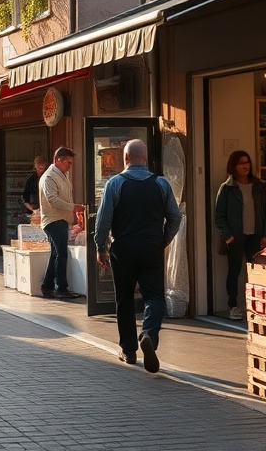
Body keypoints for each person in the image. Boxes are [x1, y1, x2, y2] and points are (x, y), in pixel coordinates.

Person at [94, 139, 182, 373]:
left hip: (123, 249)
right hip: (152, 247)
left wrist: (100, 247)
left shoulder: (115, 184)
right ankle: (150, 335)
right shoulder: (161, 184)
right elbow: (175, 217)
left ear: (125, 158)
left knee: (124, 299)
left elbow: (103, 221)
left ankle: (129, 350)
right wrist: (163, 240)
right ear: (145, 158)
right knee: (154, 297)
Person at [214, 150, 266, 321]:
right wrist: (228, 236)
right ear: (233, 166)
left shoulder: (259, 186)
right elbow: (219, 216)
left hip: (256, 236)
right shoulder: (227, 188)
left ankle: (256, 306)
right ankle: (233, 306)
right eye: (241, 163)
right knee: (234, 271)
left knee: (256, 272)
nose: (245, 165)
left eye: (247, 162)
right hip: (235, 237)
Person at [38, 147, 83, 300]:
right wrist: (73, 207)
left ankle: (47, 286)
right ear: (59, 160)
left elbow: (65, 196)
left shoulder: (62, 174)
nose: (70, 166)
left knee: (56, 253)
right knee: (61, 253)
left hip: (61, 219)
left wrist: (74, 209)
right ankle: (61, 288)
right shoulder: (49, 176)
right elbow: (52, 199)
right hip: (53, 220)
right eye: (68, 163)